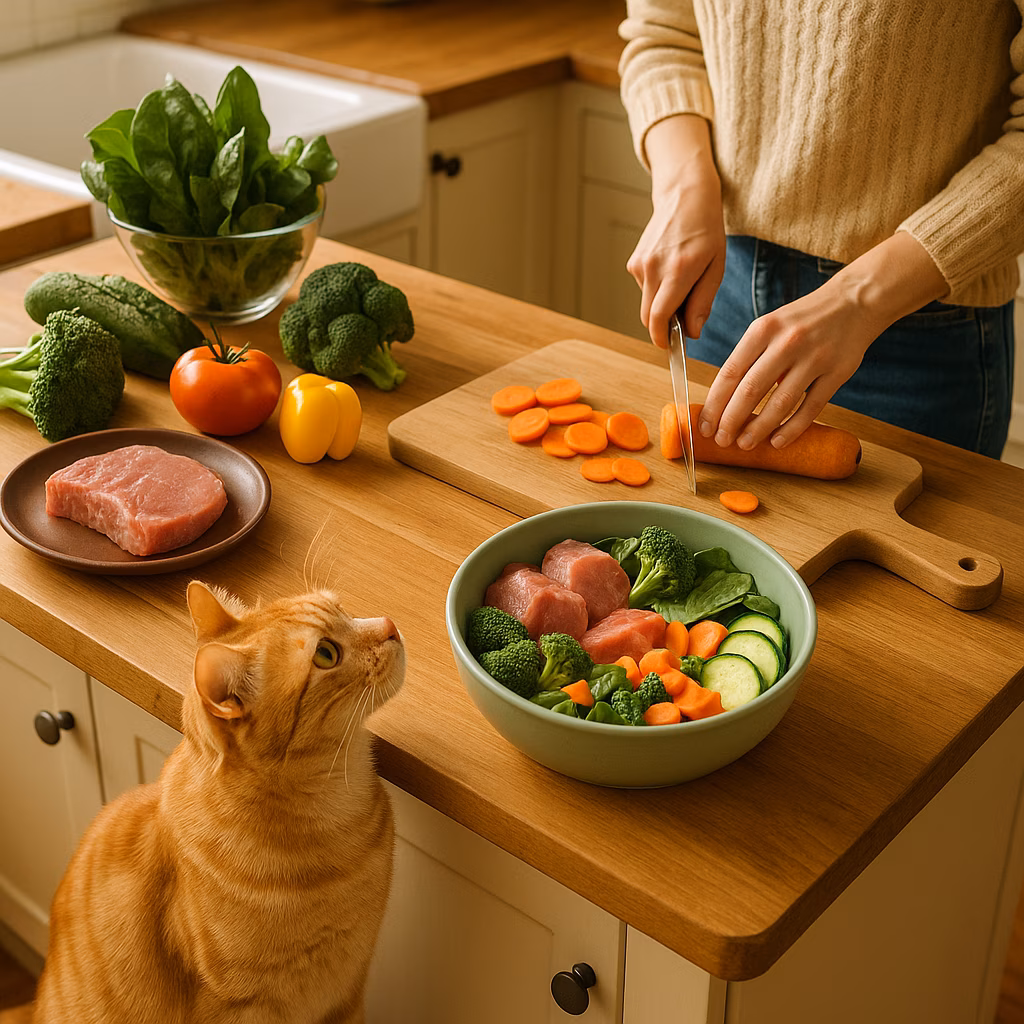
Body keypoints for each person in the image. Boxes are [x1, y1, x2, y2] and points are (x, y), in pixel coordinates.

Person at [617, 0, 1024, 459]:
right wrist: (683, 183)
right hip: (720, 291)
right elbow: (664, 38)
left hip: (915, 327)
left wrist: (861, 299)